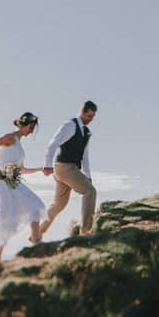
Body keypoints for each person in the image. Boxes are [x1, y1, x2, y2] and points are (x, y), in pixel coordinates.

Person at [0, 112, 48, 262]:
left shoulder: (19, 144)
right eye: (32, 128)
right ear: (26, 125)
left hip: (13, 181)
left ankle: (36, 241)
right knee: (5, 218)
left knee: (36, 207)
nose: (32, 131)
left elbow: (21, 170)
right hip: (3, 182)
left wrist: (39, 169)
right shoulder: (11, 138)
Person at [39, 100, 98, 237]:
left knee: (59, 204)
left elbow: (85, 155)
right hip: (64, 167)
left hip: (69, 169)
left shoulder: (87, 132)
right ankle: (86, 232)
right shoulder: (70, 125)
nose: (91, 120)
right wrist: (47, 164)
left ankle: (37, 233)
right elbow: (53, 143)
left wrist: (88, 175)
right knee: (90, 192)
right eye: (89, 116)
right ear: (82, 112)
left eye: (93, 117)